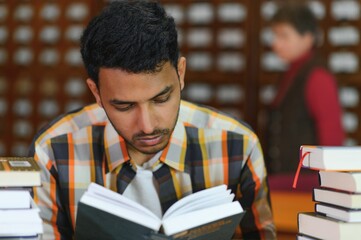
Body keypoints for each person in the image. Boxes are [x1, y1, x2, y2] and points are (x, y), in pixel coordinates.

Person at [29, 1, 276, 239]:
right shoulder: (53, 151)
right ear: (96, 93)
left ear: (181, 73)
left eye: (161, 99)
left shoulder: (238, 146)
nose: (147, 126)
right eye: (124, 106)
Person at [265, 2, 345, 175]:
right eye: (275, 35)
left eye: (284, 36)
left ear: (307, 38)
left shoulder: (318, 78)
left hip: (307, 186)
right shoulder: (289, 73)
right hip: (285, 179)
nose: (276, 44)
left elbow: (332, 141)